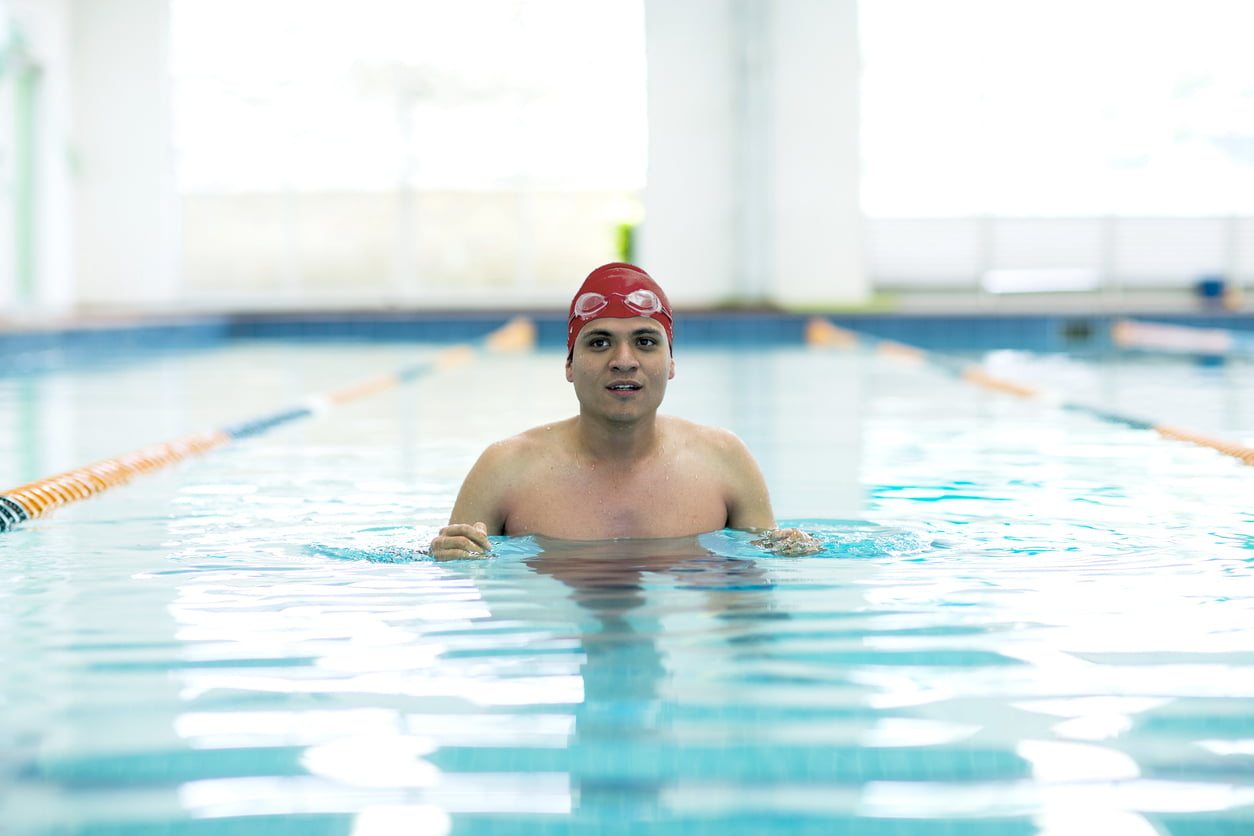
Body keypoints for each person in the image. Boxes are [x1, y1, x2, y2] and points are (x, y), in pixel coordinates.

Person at [429, 262, 822, 560]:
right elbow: (462, 593)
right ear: (568, 364)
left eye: (645, 342)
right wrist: (446, 555)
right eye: (599, 342)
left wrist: (794, 553)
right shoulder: (504, 469)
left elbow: (753, 612)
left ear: (671, 363)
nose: (623, 360)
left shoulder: (724, 460)